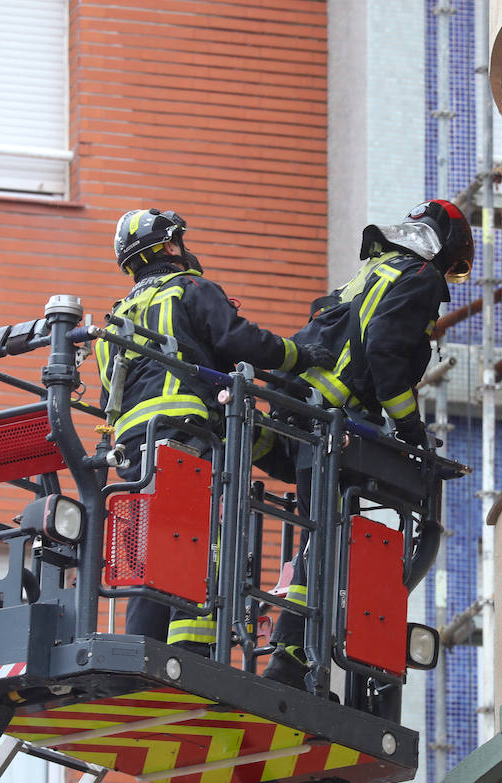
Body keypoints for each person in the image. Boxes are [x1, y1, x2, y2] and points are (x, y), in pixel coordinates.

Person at [95, 207, 332, 652]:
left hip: (134, 449)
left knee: (152, 544)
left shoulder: (115, 321)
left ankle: (142, 647)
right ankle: (194, 651)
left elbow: (117, 389)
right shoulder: (189, 289)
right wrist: (299, 357)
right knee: (205, 537)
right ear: (169, 246)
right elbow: (239, 339)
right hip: (188, 436)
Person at [263, 199, 475, 688]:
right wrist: (410, 432)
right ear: (445, 247)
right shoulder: (420, 277)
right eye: (457, 266)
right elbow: (385, 353)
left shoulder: (373, 271)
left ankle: (292, 654)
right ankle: (290, 659)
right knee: (329, 535)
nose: (450, 276)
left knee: (324, 533)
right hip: (336, 422)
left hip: (308, 412)